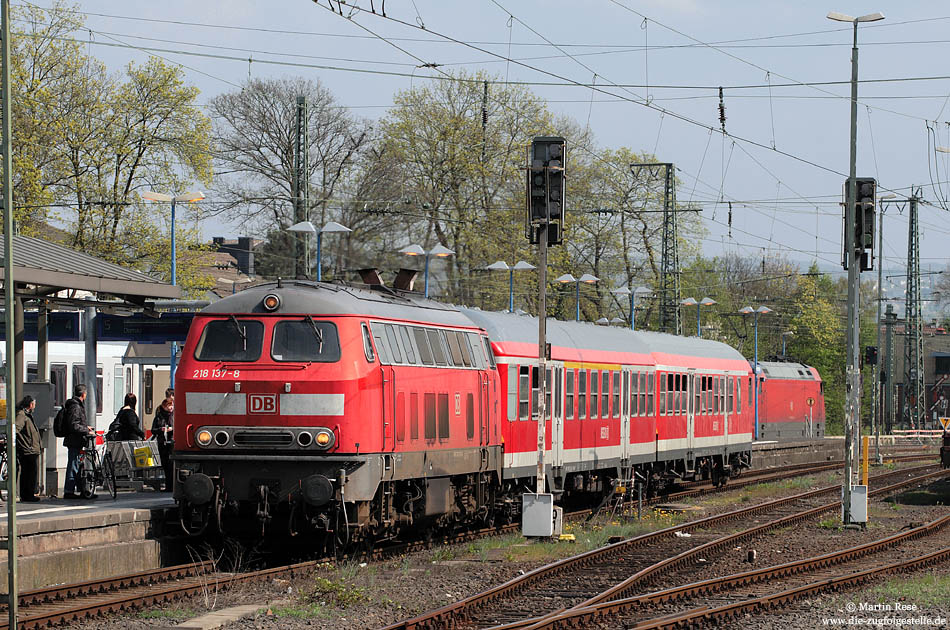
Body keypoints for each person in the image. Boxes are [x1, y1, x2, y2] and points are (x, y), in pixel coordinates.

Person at [63, 384, 95, 500]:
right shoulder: (75, 407)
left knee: (77, 465)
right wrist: (86, 430)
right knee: (73, 465)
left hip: (76, 441)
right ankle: (69, 491)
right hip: (74, 441)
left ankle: (82, 491)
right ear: (83, 394)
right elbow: (74, 426)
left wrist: (87, 427)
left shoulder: (75, 405)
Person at [14, 395, 41, 502]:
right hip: (27, 449)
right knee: (29, 473)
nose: (34, 406)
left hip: (30, 448)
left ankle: (27, 494)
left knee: (29, 472)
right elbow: (16, 428)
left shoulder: (27, 415)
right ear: (30, 404)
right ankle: (27, 495)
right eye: (34, 404)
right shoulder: (22, 415)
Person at [151, 392, 174, 491]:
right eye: (169, 406)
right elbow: (153, 430)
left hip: (172, 442)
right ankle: (169, 486)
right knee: (165, 465)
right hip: (162, 443)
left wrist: (172, 429)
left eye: (172, 405)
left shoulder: (174, 416)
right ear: (164, 406)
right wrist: (161, 429)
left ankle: (172, 486)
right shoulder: (159, 417)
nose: (171, 408)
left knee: (172, 464)